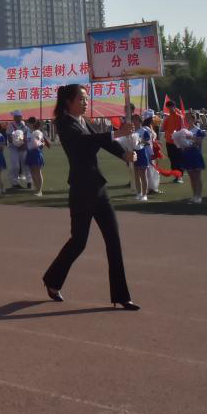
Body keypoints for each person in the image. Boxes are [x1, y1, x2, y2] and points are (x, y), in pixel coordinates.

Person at [42, 83, 138, 310]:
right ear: (69, 102)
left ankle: (121, 296)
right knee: (79, 242)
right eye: (81, 99)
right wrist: (117, 132)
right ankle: (52, 279)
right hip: (81, 190)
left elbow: (104, 141)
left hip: (98, 188)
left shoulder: (85, 121)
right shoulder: (64, 124)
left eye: (86, 99)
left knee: (113, 239)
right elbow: (85, 143)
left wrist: (124, 154)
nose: (86, 102)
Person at [173, 112, 207, 204]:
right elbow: (181, 143)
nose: (188, 120)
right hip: (187, 154)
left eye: (189, 118)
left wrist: (191, 137)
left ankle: (199, 196)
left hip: (195, 154)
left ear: (193, 119)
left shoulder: (198, 130)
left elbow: (199, 143)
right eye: (186, 118)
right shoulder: (184, 130)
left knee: (197, 176)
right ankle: (194, 195)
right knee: (191, 176)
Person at [162, 100, 184, 183]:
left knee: (179, 159)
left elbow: (182, 129)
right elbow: (164, 128)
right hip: (169, 142)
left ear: (174, 107)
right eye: (168, 107)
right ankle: (176, 176)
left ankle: (180, 176)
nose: (170, 109)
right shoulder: (167, 118)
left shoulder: (179, 117)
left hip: (177, 142)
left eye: (171, 107)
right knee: (172, 159)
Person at [24, 116, 47, 197]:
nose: (27, 124)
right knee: (32, 172)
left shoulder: (37, 132)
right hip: (29, 153)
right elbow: (28, 143)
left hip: (36, 153)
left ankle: (39, 190)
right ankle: (36, 189)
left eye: (29, 122)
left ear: (33, 123)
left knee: (37, 172)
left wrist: (38, 143)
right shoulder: (28, 132)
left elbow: (40, 143)